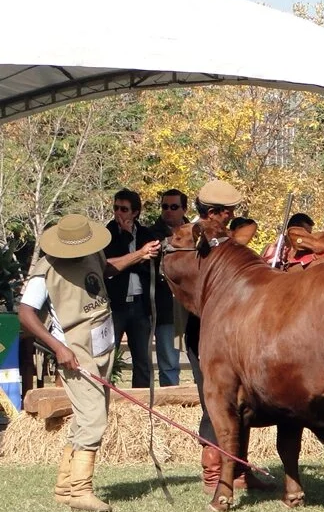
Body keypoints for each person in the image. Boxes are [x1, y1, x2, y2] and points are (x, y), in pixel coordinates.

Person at [18, 214, 142, 512]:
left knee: (87, 415)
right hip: (73, 350)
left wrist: (139, 255)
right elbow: (25, 312)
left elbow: (106, 269)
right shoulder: (45, 270)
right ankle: (80, 491)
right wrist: (58, 347)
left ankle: (64, 487)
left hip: (102, 343)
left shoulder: (92, 252)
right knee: (93, 418)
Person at [187, 179, 270, 492]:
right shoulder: (191, 240)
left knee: (241, 401)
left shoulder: (221, 238)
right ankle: (214, 471)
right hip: (205, 325)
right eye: (226, 213)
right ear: (212, 213)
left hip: (232, 324)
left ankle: (238, 471)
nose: (230, 217)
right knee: (216, 400)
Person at [103, 189, 160, 388]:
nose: (119, 213)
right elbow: (109, 267)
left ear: (135, 212)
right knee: (108, 356)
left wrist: (135, 259)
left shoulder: (146, 234)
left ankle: (142, 403)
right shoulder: (107, 233)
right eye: (116, 208)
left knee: (142, 360)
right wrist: (132, 246)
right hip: (115, 304)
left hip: (140, 305)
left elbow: (152, 263)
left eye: (124, 209)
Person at [147, 188, 189, 386]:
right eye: (165, 206)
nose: (168, 211)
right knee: (169, 362)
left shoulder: (195, 233)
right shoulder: (151, 235)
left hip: (192, 306)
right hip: (165, 307)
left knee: (201, 358)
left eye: (174, 207)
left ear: (184, 209)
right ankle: (172, 398)